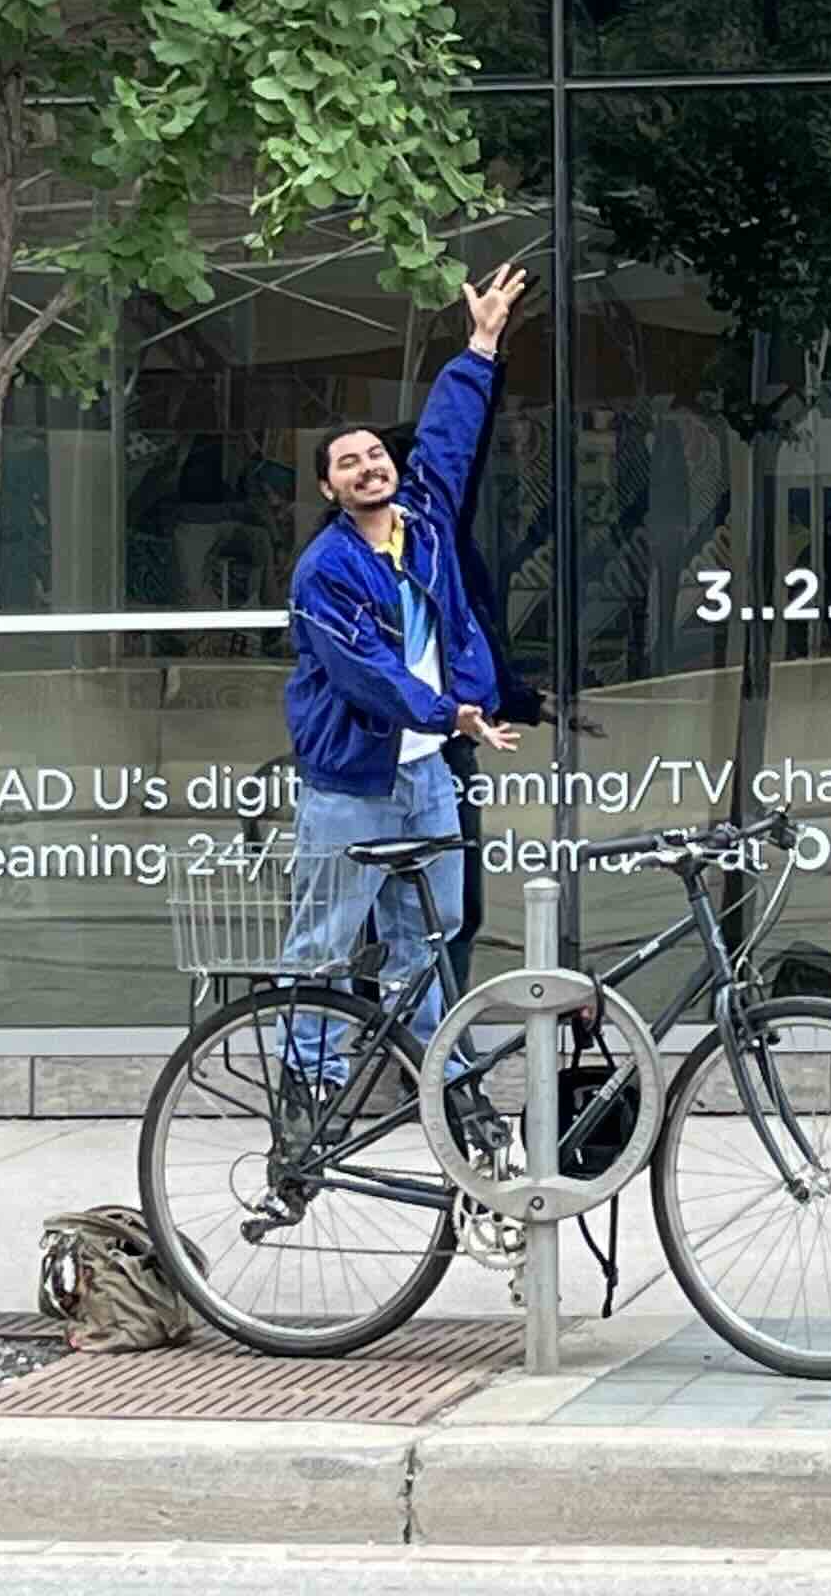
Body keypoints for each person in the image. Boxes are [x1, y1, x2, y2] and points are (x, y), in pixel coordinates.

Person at [283, 263, 532, 1062]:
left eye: (373, 455)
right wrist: (445, 712)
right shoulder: (325, 570)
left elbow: (449, 440)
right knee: (324, 937)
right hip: (353, 780)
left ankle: (433, 1066)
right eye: (347, 463)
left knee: (431, 933)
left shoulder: (422, 522)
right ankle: (310, 1078)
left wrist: (482, 345)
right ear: (328, 486)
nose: (368, 466)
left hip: (427, 775)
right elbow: (366, 674)